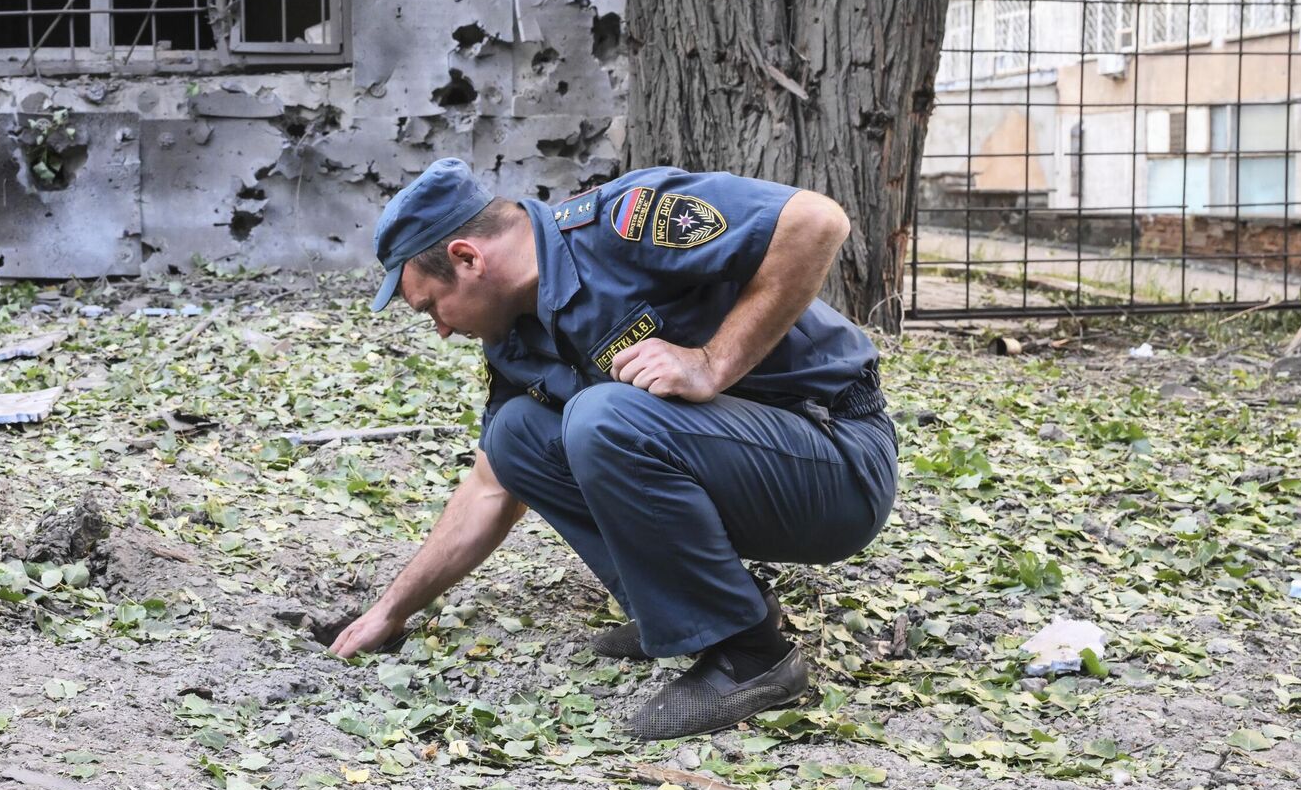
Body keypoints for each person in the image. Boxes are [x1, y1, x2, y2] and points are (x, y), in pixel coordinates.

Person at [327, 158, 897, 741]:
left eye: (430, 309)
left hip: (835, 460)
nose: (441, 330)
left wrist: (711, 362)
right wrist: (391, 610)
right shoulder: (516, 338)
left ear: (467, 258)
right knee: (516, 435)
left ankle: (753, 656)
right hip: (749, 472)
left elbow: (816, 221)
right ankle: (691, 609)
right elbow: (490, 487)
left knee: (603, 416)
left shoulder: (622, 223)